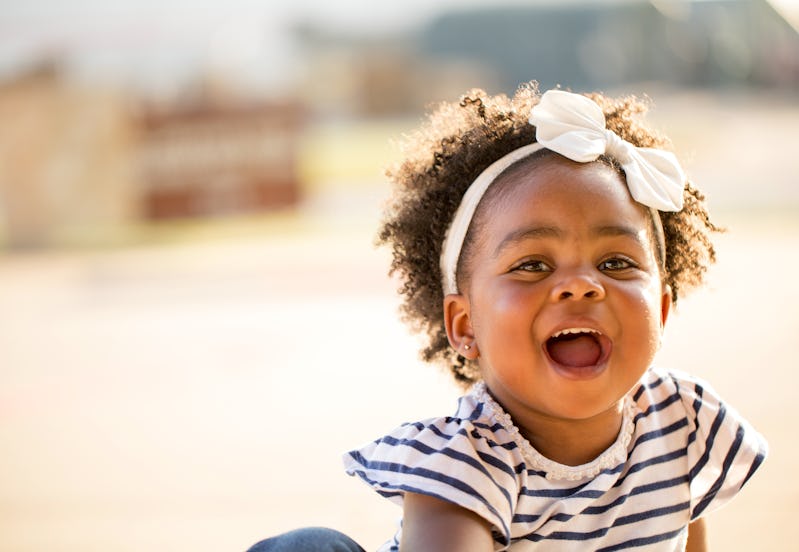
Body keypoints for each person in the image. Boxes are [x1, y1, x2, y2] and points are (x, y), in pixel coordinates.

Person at [247, 83, 767, 551]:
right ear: (465, 325)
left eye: (615, 263)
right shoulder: (463, 468)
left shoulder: (683, 421)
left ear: (661, 308)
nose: (582, 284)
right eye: (532, 265)